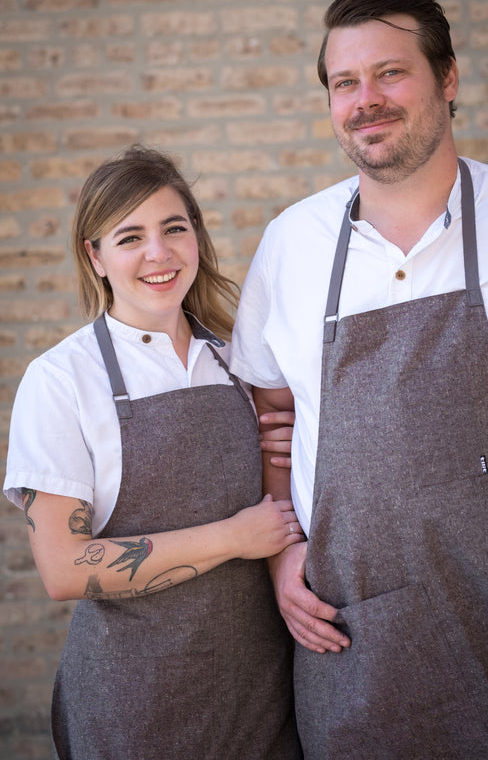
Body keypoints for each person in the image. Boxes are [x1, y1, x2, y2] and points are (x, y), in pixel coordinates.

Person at [231, 0, 488, 759]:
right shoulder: (292, 244)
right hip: (357, 636)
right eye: (345, 82)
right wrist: (282, 551)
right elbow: (271, 415)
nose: (365, 99)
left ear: (447, 78)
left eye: (390, 73)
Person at [3, 145, 305, 760]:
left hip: (260, 697)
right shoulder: (62, 378)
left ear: (196, 234)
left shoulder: (238, 364)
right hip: (133, 708)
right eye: (130, 236)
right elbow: (64, 569)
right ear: (96, 256)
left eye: (174, 228)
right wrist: (236, 537)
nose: (158, 253)